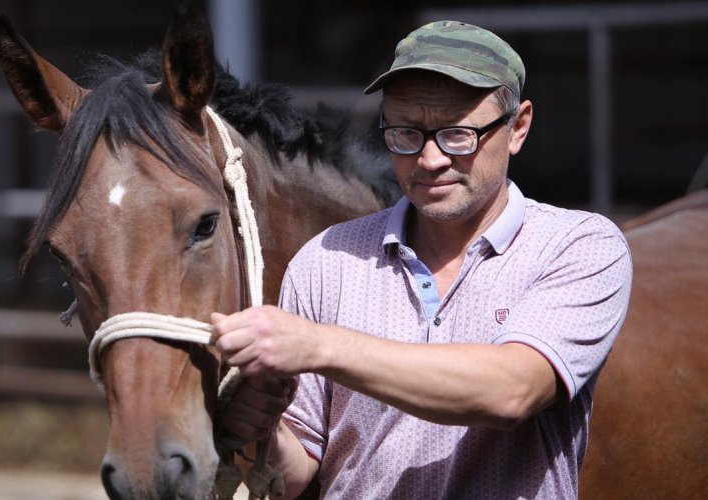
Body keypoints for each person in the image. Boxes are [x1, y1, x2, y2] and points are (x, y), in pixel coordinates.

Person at [211, 20, 632, 499]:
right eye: (406, 133)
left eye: (457, 134)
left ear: (518, 127)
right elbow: (297, 475)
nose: (429, 159)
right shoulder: (325, 260)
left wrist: (318, 346)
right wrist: (254, 431)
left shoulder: (577, 246)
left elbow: (512, 389)